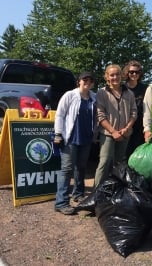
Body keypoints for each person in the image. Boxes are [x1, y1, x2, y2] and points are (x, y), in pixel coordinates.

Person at [53, 71, 97, 215]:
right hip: (70, 139)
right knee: (66, 170)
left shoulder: (94, 98)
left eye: (90, 80)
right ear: (79, 81)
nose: (87, 82)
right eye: (85, 79)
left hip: (86, 139)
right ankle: (61, 202)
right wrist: (58, 133)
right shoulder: (69, 95)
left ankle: (78, 194)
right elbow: (60, 114)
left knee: (81, 168)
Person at [94, 64, 137, 187]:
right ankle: (96, 193)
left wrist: (127, 128)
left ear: (121, 76)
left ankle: (115, 190)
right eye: (112, 75)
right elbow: (100, 115)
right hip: (108, 134)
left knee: (119, 164)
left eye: (117, 74)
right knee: (105, 162)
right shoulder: (102, 93)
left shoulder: (129, 93)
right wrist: (113, 132)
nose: (115, 77)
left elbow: (134, 112)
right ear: (107, 77)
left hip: (125, 134)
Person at [123, 60, 148, 157]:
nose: (134, 74)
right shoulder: (122, 88)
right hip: (125, 126)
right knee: (125, 155)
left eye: (137, 72)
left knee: (139, 155)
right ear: (127, 73)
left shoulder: (146, 88)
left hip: (140, 127)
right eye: (131, 72)